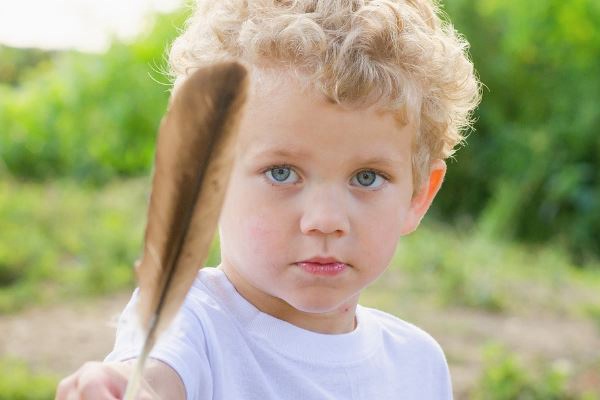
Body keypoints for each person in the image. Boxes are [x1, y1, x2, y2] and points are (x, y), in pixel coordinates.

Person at [56, 0, 480, 399]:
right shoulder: (191, 324)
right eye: (282, 173)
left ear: (418, 196)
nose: (326, 220)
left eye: (367, 177)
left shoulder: (418, 364)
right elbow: (151, 376)